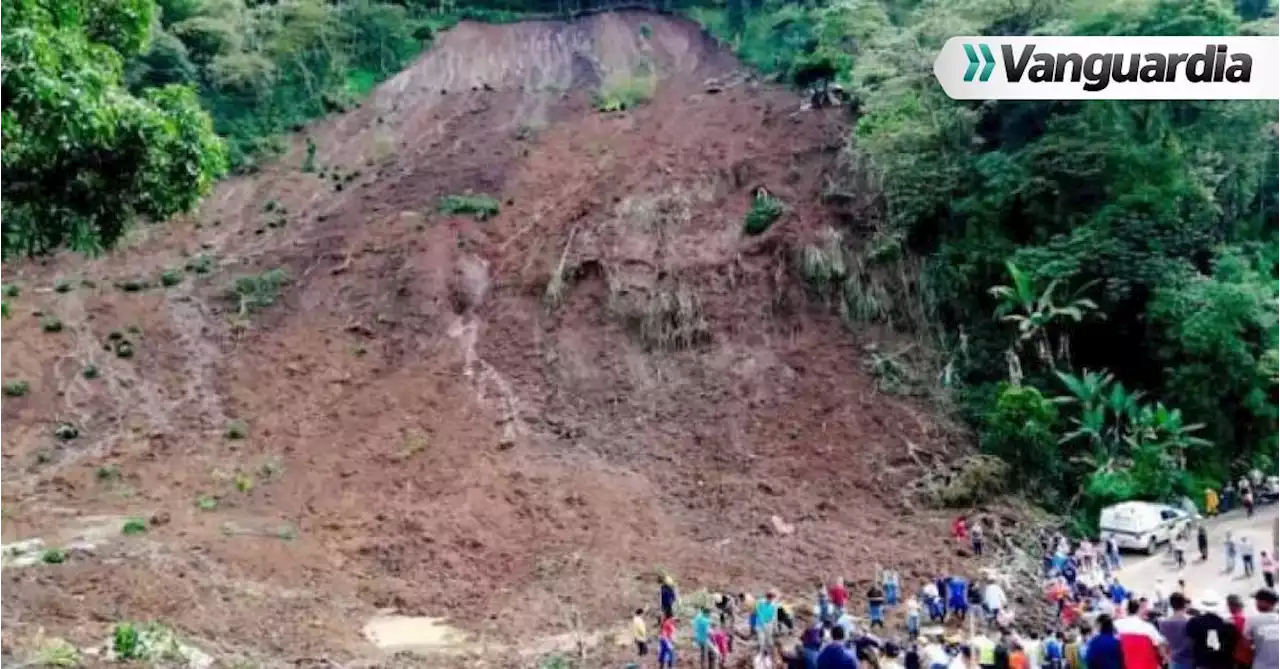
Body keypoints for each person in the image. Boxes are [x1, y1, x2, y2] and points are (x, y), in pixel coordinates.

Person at [1185, 591, 1236, 669]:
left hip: (1202, 663)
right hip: (1223, 664)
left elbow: (1190, 640)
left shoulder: (1194, 622)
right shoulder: (1228, 625)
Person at [1116, 599, 1167, 669]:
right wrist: (1165, 657)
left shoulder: (1116, 625)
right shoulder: (1148, 628)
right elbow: (1161, 644)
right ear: (1138, 610)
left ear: (1127, 610)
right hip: (1146, 665)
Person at [1247, 588, 1280, 669]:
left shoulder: (1252, 621)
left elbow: (1246, 644)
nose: (1256, 603)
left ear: (1264, 602)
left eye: (1257, 600)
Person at [1159, 592, 1194, 669]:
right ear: (1184, 604)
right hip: (1190, 661)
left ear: (1171, 605)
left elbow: (1162, 646)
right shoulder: (1191, 621)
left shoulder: (1164, 623)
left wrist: (1168, 659)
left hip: (1174, 661)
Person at [1227, 594, 1253, 669]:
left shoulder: (1230, 621)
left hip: (1236, 658)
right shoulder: (1249, 619)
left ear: (1232, 606)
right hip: (1249, 657)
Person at [758, 591, 781, 656]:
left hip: (766, 624)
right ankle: (766, 652)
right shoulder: (771, 605)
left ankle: (766, 652)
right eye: (771, 598)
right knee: (765, 639)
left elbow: (774, 617)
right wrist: (776, 629)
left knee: (765, 639)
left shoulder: (762, 602)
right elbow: (774, 618)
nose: (771, 599)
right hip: (766, 624)